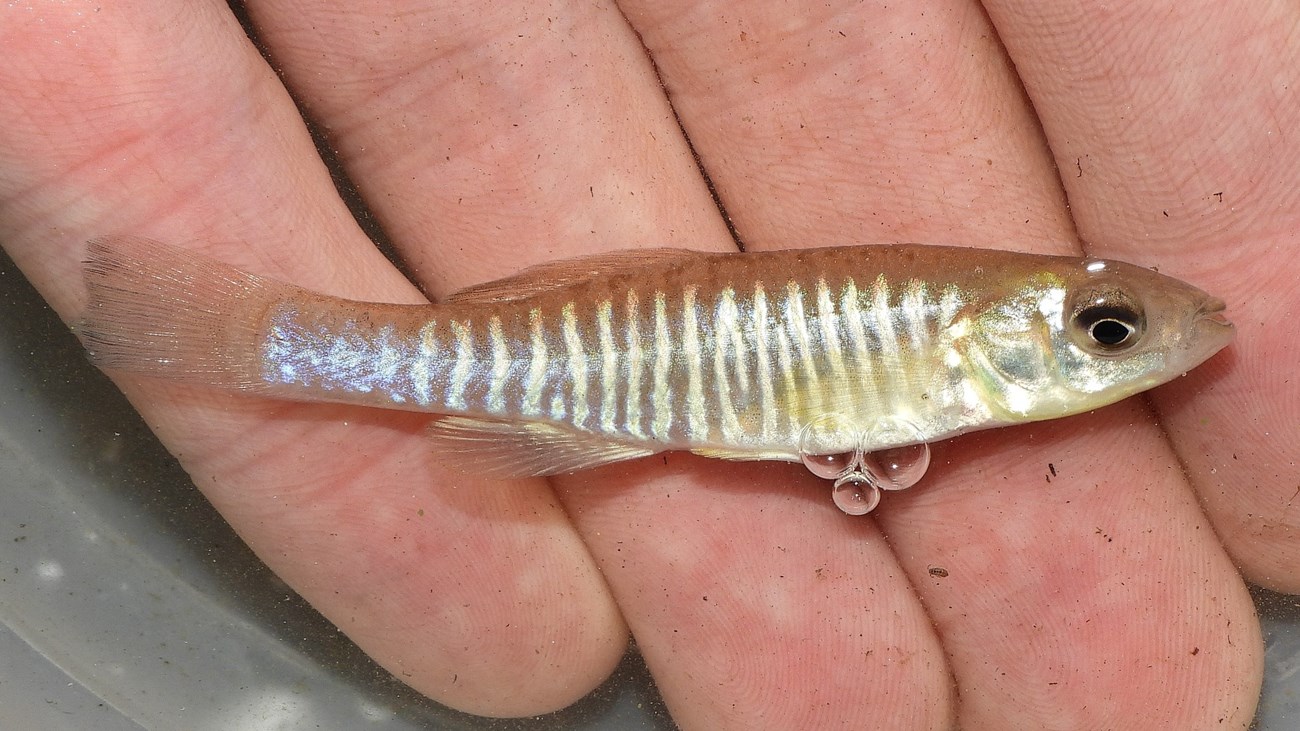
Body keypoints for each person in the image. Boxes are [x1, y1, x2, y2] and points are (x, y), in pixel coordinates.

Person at [1, 1, 1293, 727]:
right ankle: (266, 339)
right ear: (984, 337)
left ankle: (269, 340)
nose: (1143, 345)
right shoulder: (940, 355)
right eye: (1109, 332)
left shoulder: (951, 355)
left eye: (1109, 328)